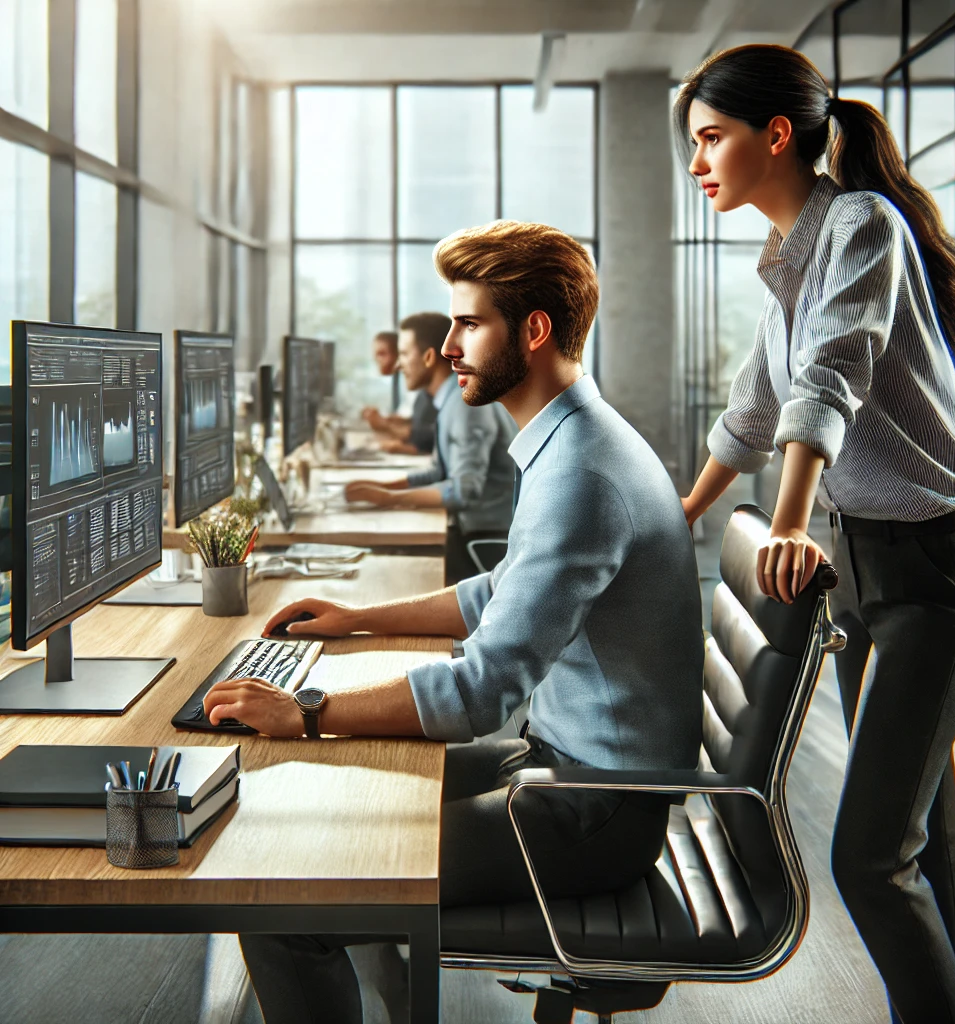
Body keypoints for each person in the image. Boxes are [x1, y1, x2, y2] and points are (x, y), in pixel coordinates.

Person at [203, 220, 704, 1024]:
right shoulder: (574, 438)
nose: (448, 347)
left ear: (534, 332)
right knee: (343, 806)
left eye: (470, 324)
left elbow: (479, 692)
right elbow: (497, 592)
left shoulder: (582, 473)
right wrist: (357, 619)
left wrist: (306, 711)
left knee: (285, 900)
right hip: (566, 765)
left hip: (598, 807)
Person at [673, 44, 955, 1024]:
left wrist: (783, 523)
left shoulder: (861, 224)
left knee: (865, 855)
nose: (696, 162)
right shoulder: (784, 255)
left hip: (932, 569)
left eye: (710, 138)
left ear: (775, 134)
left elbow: (831, 375)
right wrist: (678, 515)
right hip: (865, 566)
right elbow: (754, 404)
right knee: (917, 830)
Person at [346, 311, 518, 585]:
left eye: (403, 354)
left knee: (391, 579)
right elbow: (440, 471)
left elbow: (464, 489)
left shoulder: (465, 405)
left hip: (485, 541)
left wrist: (391, 500)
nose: (399, 365)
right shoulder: (449, 400)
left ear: (427, 358)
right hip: (469, 531)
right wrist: (388, 487)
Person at [361, 328, 436, 454]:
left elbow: (427, 436)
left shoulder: (427, 388)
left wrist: (385, 425)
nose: (377, 360)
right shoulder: (408, 386)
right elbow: (418, 423)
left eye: (382, 354)